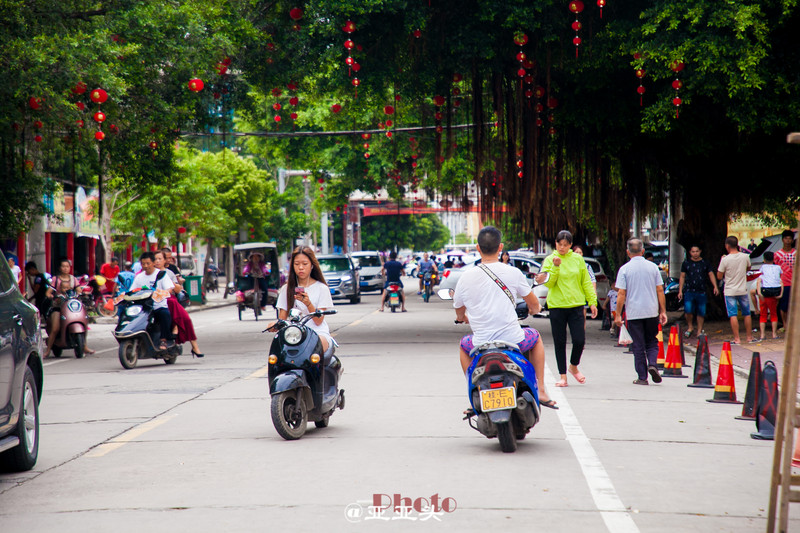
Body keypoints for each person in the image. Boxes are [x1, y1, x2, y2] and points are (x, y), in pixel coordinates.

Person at [453, 226, 556, 409]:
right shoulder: (513, 273)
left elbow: (459, 312)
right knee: (536, 337)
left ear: (478, 248)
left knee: (463, 345)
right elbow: (533, 306)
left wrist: (464, 318)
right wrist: (536, 308)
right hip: (514, 340)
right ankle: (540, 389)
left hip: (480, 343)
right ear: (500, 247)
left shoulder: (465, 277)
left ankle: (475, 389)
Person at [536, 230, 597, 387]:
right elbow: (548, 283)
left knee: (579, 340)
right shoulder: (549, 260)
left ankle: (573, 366)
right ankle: (563, 376)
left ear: (570, 245)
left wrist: (592, 302)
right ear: (555, 243)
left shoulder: (577, 259)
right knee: (559, 341)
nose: (562, 247)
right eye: (559, 244)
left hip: (576, 305)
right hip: (557, 306)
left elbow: (586, 282)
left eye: (565, 245)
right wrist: (556, 267)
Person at [614, 238, 667, 385]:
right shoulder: (653, 267)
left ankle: (642, 377)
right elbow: (660, 290)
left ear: (627, 252)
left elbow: (621, 294)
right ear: (643, 251)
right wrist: (662, 311)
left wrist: (618, 314)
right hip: (651, 312)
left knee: (638, 345)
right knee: (652, 341)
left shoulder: (624, 269)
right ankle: (653, 365)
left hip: (634, 313)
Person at [270, 246, 335, 356]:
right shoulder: (286, 289)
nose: (301, 267)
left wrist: (308, 303)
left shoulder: (322, 288)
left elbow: (318, 321)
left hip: (317, 333)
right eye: (297, 264)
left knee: (316, 346)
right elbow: (282, 319)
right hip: (293, 335)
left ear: (312, 265)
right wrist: (273, 325)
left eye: (305, 264)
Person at [154, 251, 204, 357]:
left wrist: (169, 282)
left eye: (160, 259)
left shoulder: (169, 273)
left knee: (186, 319)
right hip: (153, 300)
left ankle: (194, 346)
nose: (157, 261)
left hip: (168, 298)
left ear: (164, 261)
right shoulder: (148, 273)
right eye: (155, 259)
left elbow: (177, 289)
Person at [44, 259, 95, 357]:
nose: (65, 268)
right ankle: (48, 350)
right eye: (63, 266)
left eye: (67, 266)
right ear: (60, 268)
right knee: (55, 328)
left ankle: (84, 346)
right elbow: (48, 292)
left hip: (71, 306)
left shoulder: (73, 279)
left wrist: (81, 293)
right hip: (58, 307)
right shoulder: (56, 279)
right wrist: (52, 296)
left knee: (84, 320)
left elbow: (79, 289)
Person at [132, 252, 175, 350]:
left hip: (158, 306)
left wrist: (160, 293)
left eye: (148, 263)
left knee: (165, 314)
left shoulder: (161, 274)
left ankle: (164, 340)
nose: (146, 266)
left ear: (153, 263)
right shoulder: (139, 277)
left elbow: (169, 289)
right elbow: (132, 290)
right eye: (143, 264)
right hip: (143, 307)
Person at [717, 236, 754, 344]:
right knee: (746, 313)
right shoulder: (745, 256)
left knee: (733, 314)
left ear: (727, 246)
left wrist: (721, 261)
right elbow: (748, 268)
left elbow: (719, 276)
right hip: (742, 289)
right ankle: (749, 337)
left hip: (729, 290)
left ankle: (737, 338)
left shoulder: (725, 259)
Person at [677, 245, 719, 338]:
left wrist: (715, 286)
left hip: (702, 291)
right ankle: (690, 327)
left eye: (697, 251)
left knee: (701, 311)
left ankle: (699, 330)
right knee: (688, 310)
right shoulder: (686, 263)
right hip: (689, 290)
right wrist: (680, 290)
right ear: (690, 252)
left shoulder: (705, 263)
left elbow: (711, 274)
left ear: (700, 251)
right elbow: (682, 276)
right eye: (693, 251)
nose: (695, 253)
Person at [757, 251, 783, 341]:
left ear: (764, 259)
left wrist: (759, 293)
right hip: (774, 293)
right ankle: (774, 334)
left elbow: (759, 280)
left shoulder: (762, 268)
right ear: (774, 259)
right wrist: (781, 294)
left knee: (763, 314)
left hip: (764, 293)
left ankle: (762, 335)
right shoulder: (778, 268)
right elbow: (780, 281)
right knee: (773, 314)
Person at [774, 229, 796, 331]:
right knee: (784, 306)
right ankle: (785, 324)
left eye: (789, 239)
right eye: (786, 238)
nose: (787, 241)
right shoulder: (777, 254)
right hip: (784, 283)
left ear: (792, 240)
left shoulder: (796, 253)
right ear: (782, 240)